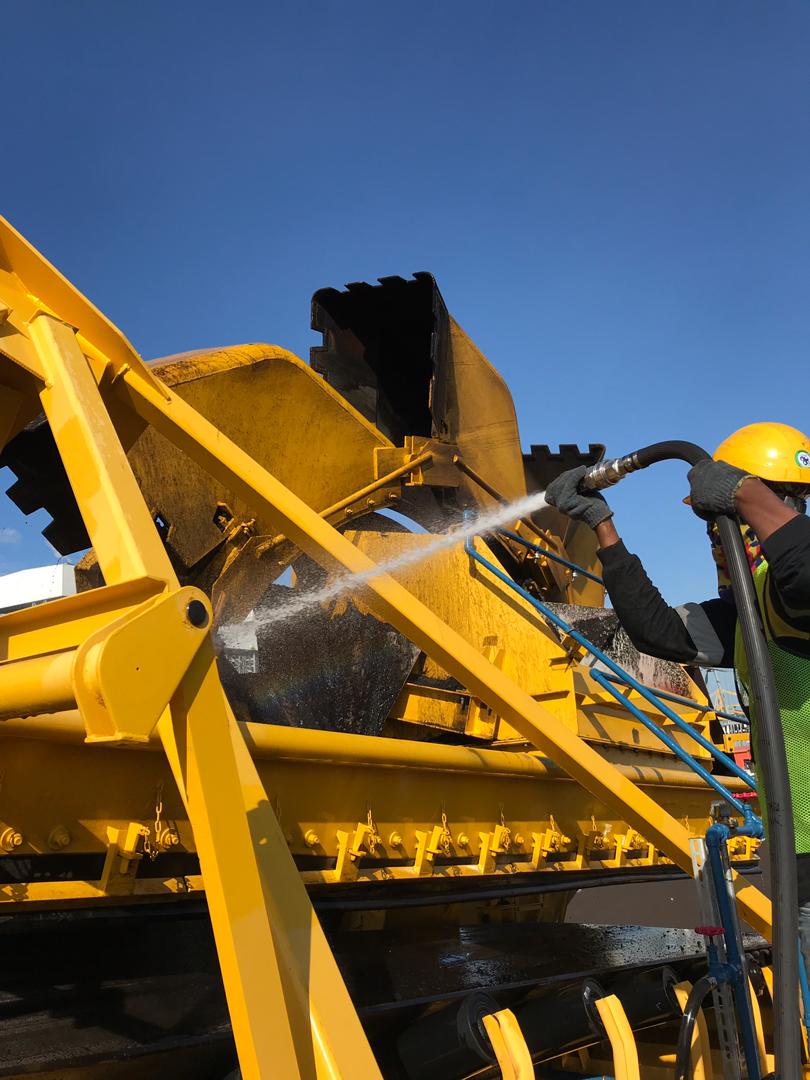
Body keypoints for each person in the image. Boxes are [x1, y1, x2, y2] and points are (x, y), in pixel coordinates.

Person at [544, 422, 810, 964]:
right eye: (710, 530)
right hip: (797, 851)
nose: (715, 539)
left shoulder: (790, 593)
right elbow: (658, 631)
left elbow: (802, 573)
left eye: (721, 525)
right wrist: (603, 527)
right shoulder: (746, 613)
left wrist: (744, 493)